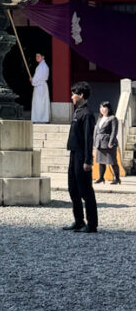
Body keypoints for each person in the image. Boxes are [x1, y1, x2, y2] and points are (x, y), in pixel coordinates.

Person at [63, 81, 98, 233]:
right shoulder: (78, 111)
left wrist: (88, 160)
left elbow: (88, 139)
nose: (72, 97)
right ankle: (78, 221)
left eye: (74, 94)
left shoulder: (87, 114)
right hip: (74, 153)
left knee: (85, 190)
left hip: (82, 155)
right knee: (73, 189)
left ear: (81, 95)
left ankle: (92, 224)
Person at [93, 101, 120, 185]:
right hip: (99, 143)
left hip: (108, 143)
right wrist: (94, 142)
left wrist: (111, 142)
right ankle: (101, 178)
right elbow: (96, 131)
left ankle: (117, 178)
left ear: (109, 109)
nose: (102, 109)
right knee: (101, 161)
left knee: (112, 161)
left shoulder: (112, 118)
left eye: (104, 107)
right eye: (101, 107)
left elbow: (114, 131)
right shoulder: (100, 118)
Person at [31, 53, 50, 123]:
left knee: (39, 103)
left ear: (43, 57)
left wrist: (32, 80)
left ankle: (40, 119)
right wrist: (33, 79)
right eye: (36, 56)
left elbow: (38, 78)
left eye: (38, 56)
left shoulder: (42, 66)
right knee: (41, 103)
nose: (37, 57)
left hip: (40, 86)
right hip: (40, 85)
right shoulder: (42, 66)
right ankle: (41, 118)